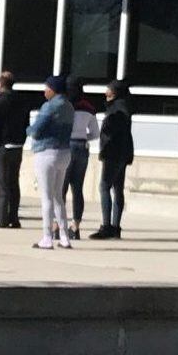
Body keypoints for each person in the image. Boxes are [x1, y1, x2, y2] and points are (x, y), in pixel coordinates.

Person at [27, 75, 75, 249]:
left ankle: (47, 237)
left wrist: (28, 129)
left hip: (47, 152)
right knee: (58, 197)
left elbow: (36, 130)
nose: (44, 91)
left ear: (53, 89)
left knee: (46, 197)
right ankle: (64, 236)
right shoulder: (69, 106)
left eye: (47, 87)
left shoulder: (50, 106)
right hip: (64, 152)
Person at [0, 71, 28, 229]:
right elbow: (26, 124)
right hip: (17, 146)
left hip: (0, 148)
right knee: (13, 183)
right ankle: (13, 218)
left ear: (0, 85)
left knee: (1, 184)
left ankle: (2, 219)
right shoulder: (22, 102)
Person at [92, 79, 135, 240]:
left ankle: (107, 226)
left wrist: (105, 143)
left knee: (104, 186)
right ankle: (115, 227)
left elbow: (111, 131)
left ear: (115, 92)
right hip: (122, 153)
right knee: (117, 189)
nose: (105, 92)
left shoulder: (118, 109)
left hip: (113, 153)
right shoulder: (123, 106)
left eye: (108, 89)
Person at [60, 75, 100, 241]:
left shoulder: (63, 105)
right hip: (81, 147)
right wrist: (83, 137)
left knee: (61, 188)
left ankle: (57, 225)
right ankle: (75, 226)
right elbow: (95, 133)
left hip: (66, 145)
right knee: (78, 188)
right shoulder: (88, 107)